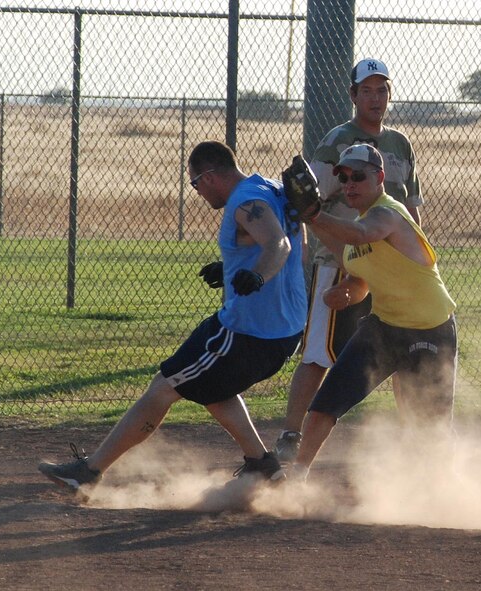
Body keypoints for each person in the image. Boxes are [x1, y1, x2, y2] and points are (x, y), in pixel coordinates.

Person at [38, 140, 307, 491]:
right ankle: (261, 464)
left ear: (209, 176)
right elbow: (290, 241)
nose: (196, 191)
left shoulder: (244, 202)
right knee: (210, 385)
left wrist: (255, 274)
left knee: (165, 386)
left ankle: (88, 472)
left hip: (248, 332)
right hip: (286, 331)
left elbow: (278, 245)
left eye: (195, 183)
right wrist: (232, 266)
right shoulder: (270, 188)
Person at [274, 57, 424, 461]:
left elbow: (412, 209)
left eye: (382, 90)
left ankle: (415, 444)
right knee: (320, 353)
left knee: (403, 352)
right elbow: (311, 200)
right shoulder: (338, 140)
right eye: (367, 90)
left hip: (391, 270)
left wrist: (413, 259)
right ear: (353, 95)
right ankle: (290, 435)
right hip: (341, 261)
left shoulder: (400, 144)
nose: (376, 98)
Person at [287, 143, 457, 479]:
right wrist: (346, 292)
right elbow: (360, 280)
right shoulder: (356, 229)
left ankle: (441, 490)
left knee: (428, 428)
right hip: (385, 328)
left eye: (358, 176)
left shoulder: (388, 214)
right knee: (325, 404)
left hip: (430, 328)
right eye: (344, 177)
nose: (349, 183)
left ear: (379, 178)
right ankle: (297, 477)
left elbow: (363, 233)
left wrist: (316, 213)